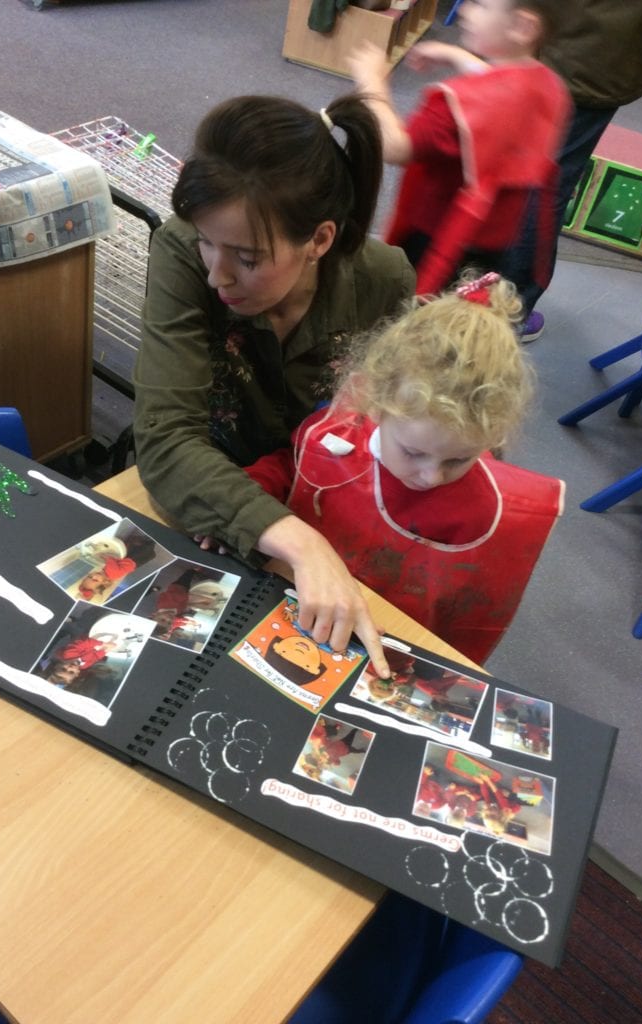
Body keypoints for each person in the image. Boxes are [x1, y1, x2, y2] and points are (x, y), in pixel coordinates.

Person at [133, 94, 416, 679]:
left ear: (319, 240)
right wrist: (301, 544)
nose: (217, 274)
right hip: (215, 499)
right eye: (207, 240)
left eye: (247, 258)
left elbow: (379, 431)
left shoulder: (383, 280)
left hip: (318, 500)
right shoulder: (181, 251)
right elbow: (165, 439)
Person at [245, 272, 564, 664]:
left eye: (458, 459)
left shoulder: (484, 509)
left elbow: (463, 620)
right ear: (376, 405)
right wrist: (249, 498)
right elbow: (292, 468)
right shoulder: (336, 437)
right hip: (293, 604)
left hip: (388, 644)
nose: (431, 476)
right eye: (413, 453)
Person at [346, 0, 571, 309]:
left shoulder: (453, 108)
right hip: (491, 240)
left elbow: (395, 146)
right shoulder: (549, 86)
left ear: (523, 27)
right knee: (458, 311)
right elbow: (502, 82)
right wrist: (455, 55)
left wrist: (372, 81)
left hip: (435, 240)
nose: (464, 10)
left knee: (407, 312)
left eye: (479, 4)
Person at [507, 0, 642, 340]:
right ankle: (508, 310)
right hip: (591, 55)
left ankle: (465, 285)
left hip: (531, 31)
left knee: (507, 164)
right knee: (544, 186)